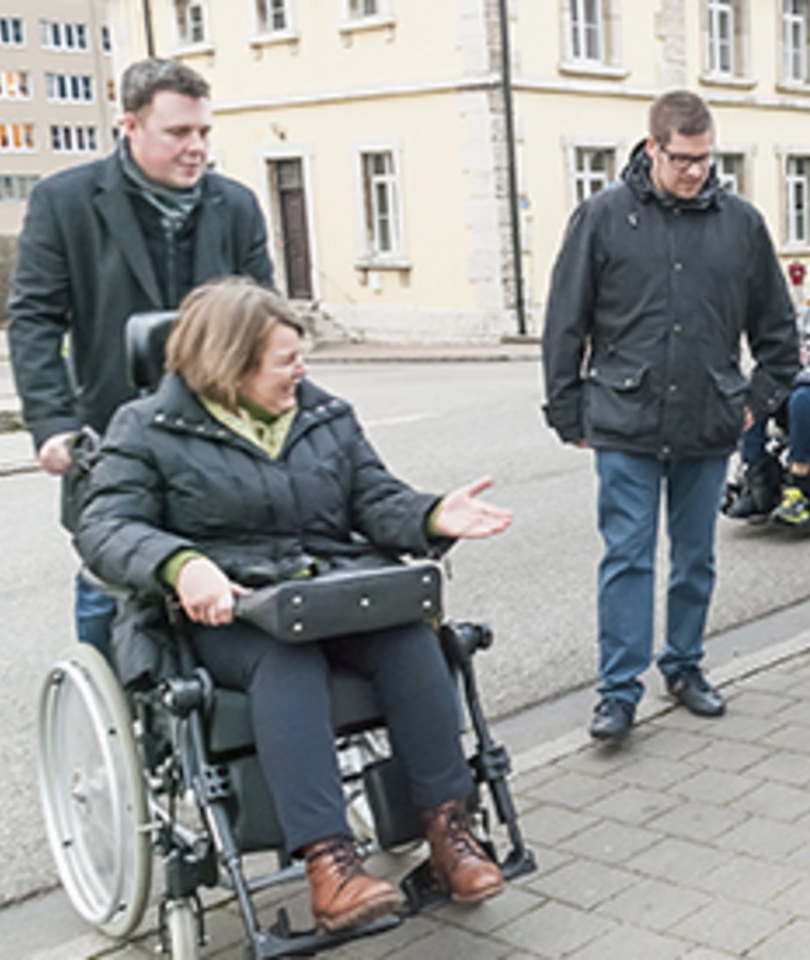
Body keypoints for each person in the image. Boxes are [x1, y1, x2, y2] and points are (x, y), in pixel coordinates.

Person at [74, 279, 510, 933]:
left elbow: (374, 498)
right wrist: (182, 564)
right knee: (287, 659)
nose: (301, 371)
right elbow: (104, 528)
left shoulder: (322, 414)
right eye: (286, 359)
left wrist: (432, 514)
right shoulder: (145, 429)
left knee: (411, 638)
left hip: (329, 592)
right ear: (230, 360)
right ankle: (330, 865)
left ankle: (450, 835)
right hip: (226, 612)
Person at [542, 90, 800, 741]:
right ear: (652, 147)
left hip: (709, 422)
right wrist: (567, 407)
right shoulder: (602, 217)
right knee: (627, 556)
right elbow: (564, 319)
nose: (696, 172)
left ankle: (684, 666)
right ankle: (619, 690)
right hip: (625, 420)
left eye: (706, 159)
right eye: (684, 159)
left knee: (695, 558)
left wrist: (755, 401)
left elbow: (777, 331)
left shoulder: (740, 223)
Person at [8, 58, 274, 659]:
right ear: (130, 127)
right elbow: (35, 320)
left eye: (204, 132)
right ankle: (115, 709)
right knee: (114, 580)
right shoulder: (66, 202)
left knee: (226, 580)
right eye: (179, 133)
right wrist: (52, 427)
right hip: (112, 430)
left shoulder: (235, 206)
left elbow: (265, 321)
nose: (196, 147)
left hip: (220, 435)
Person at [726, 250, 810, 525]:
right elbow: (787, 348)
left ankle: (797, 488)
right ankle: (757, 478)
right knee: (759, 393)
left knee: (802, 400)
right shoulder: (808, 316)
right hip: (802, 381)